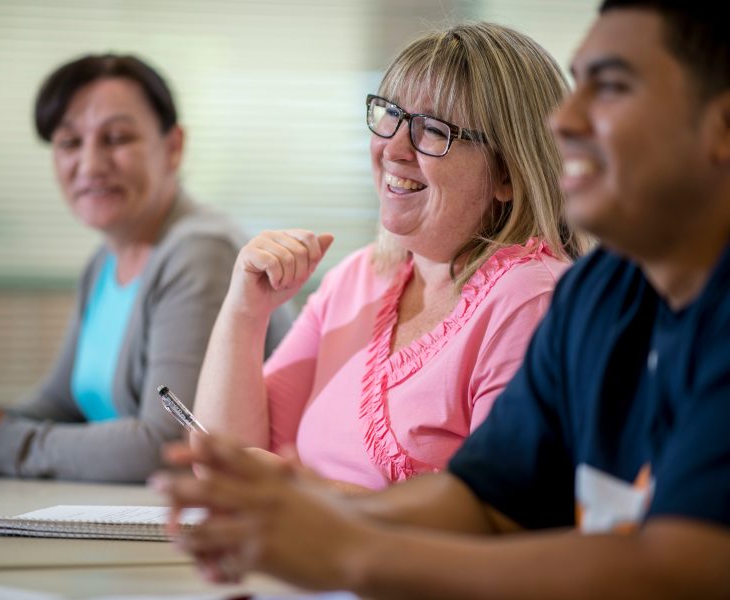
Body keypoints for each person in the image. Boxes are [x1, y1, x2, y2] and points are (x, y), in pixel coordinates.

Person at [154, 2, 730, 596]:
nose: (565, 121)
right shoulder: (602, 292)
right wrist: (291, 523)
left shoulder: (542, 291)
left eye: (610, 88)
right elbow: (486, 499)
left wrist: (349, 548)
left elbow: (685, 571)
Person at [194, 23, 587, 490]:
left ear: (507, 173)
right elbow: (226, 466)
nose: (393, 149)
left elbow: (501, 515)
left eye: (433, 130)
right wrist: (245, 311)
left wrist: (303, 495)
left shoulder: (533, 298)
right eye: (391, 116)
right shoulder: (361, 276)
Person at [0, 54, 292, 483]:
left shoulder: (201, 253)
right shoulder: (106, 259)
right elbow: (60, 404)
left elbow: (169, 445)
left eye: (117, 138)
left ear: (173, 146)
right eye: (69, 143)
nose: (90, 165)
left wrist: (1, 441)